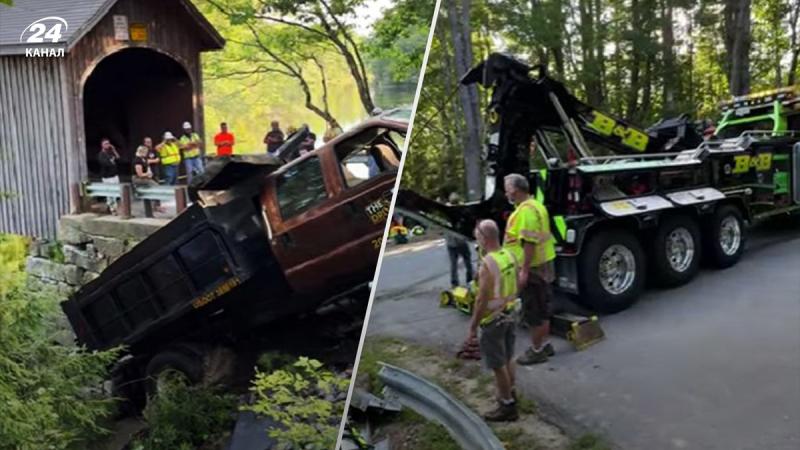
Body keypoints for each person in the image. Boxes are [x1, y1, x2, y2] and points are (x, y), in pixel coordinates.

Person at [468, 219, 520, 422]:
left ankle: (506, 406)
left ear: (484, 237)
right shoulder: (509, 255)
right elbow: (517, 282)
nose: (476, 240)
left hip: (493, 320)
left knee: (498, 364)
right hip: (510, 313)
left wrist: (473, 326)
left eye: (477, 236)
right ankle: (510, 392)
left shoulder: (487, 264)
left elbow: (481, 299)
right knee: (509, 357)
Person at [503, 173, 557, 365]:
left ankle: (536, 351)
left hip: (533, 269)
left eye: (507, 188)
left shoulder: (525, 212)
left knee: (534, 312)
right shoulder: (537, 205)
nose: (505, 192)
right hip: (544, 264)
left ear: (516, 190)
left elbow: (529, 242)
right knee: (544, 308)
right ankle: (545, 344)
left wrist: (524, 271)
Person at [445, 193, 474, 287]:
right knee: (467, 261)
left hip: (452, 243)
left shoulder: (446, 212)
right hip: (460, 242)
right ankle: (469, 279)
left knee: (454, 264)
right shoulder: (461, 211)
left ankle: (455, 282)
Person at [132, 145, 165, 213]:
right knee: (156, 186)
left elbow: (149, 163)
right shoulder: (137, 160)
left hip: (145, 177)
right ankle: (156, 206)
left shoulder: (144, 159)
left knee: (154, 185)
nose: (147, 153)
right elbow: (140, 174)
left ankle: (155, 205)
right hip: (138, 178)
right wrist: (148, 174)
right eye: (146, 152)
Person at [97, 138, 120, 213]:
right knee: (110, 194)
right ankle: (111, 209)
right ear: (102, 145)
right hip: (107, 177)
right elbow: (104, 163)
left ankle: (113, 208)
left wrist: (114, 150)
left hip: (115, 175)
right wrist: (111, 162)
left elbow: (118, 158)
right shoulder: (101, 155)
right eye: (105, 144)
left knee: (116, 193)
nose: (107, 145)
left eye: (108, 143)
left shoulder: (111, 152)